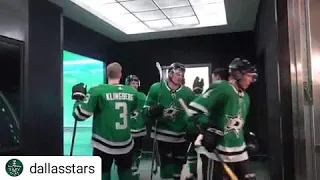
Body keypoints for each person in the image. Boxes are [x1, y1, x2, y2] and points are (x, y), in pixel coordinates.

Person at [187, 58, 258, 180]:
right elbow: (193, 111)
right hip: (217, 152)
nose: (252, 80)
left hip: (239, 153)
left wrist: (247, 135)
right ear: (238, 74)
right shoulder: (222, 87)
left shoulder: (246, 97)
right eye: (249, 76)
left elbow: (239, 122)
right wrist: (208, 128)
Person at [72, 62, 138, 180]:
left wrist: (78, 99)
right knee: (125, 173)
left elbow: (80, 115)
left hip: (102, 143)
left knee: (103, 174)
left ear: (107, 74)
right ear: (121, 74)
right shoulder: (132, 92)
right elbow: (132, 110)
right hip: (125, 143)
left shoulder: (97, 91)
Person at [143, 62, 194, 180]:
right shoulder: (157, 88)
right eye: (177, 74)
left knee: (178, 170)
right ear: (170, 74)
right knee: (167, 170)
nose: (180, 77)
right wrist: (151, 111)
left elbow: (193, 113)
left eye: (182, 75)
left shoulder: (188, 92)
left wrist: (192, 128)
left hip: (181, 137)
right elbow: (145, 110)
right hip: (162, 137)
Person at [186, 68, 228, 180]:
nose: (212, 80)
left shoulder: (218, 91)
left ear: (218, 77)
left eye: (213, 77)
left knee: (209, 157)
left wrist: (205, 124)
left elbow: (201, 109)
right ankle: (194, 174)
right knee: (194, 151)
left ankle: (196, 174)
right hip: (216, 131)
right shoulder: (229, 91)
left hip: (213, 131)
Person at [125, 75, 147, 180]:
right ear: (127, 84)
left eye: (136, 83)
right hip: (127, 130)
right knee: (127, 152)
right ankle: (127, 171)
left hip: (140, 129)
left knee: (138, 152)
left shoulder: (142, 95)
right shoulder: (124, 95)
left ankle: (135, 170)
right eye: (132, 83)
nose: (135, 85)